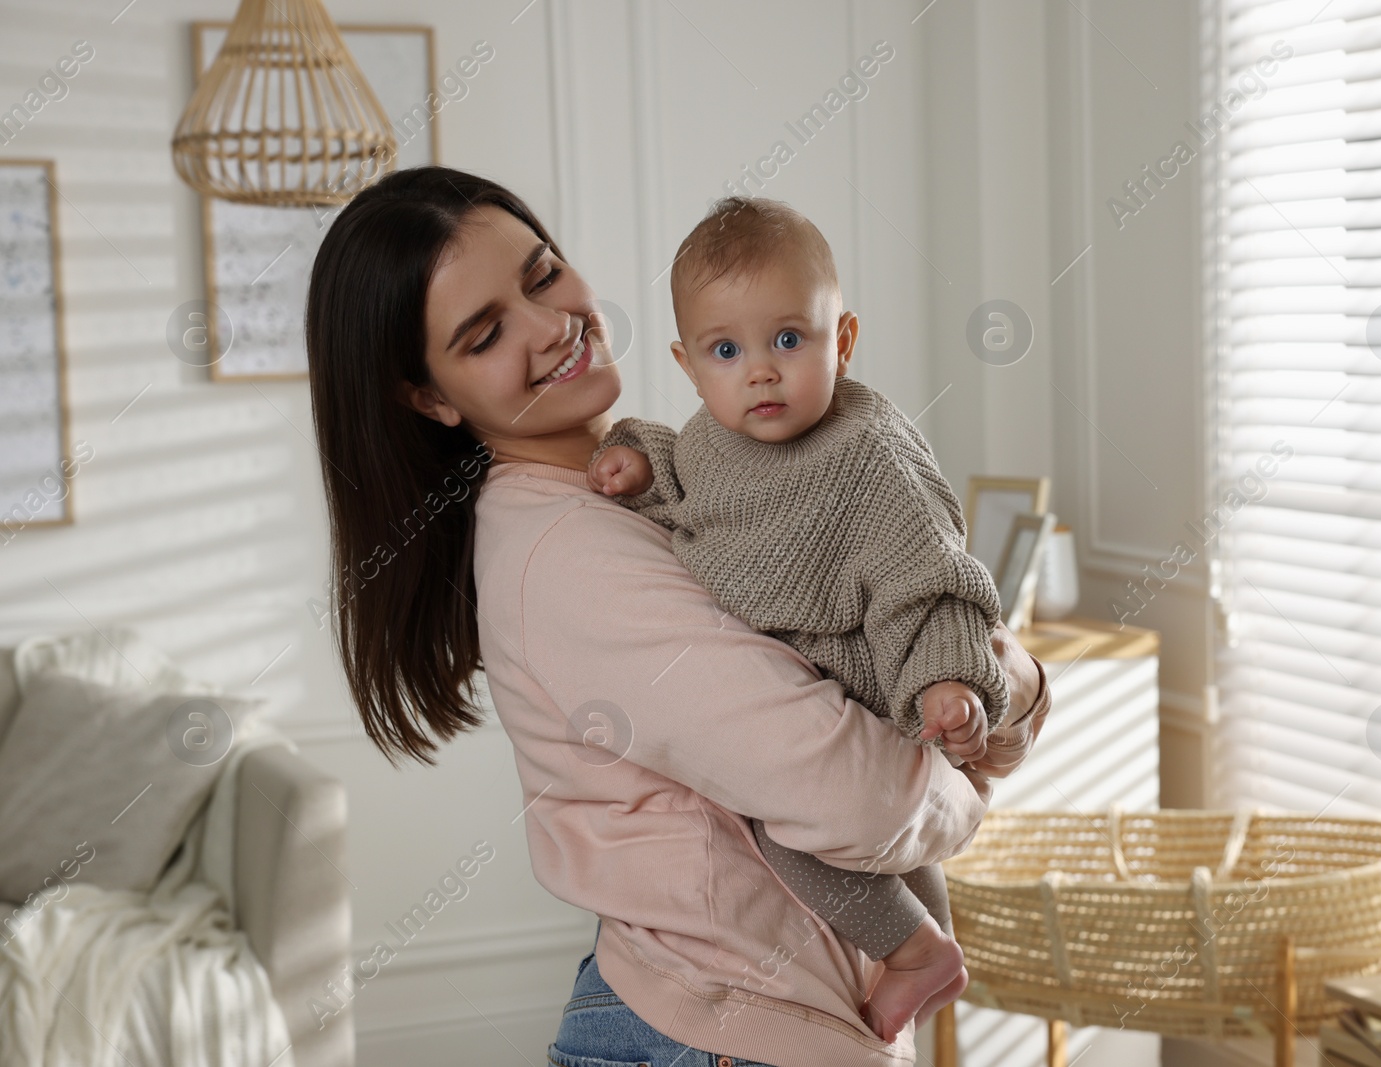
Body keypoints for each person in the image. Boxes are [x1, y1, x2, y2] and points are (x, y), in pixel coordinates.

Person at [304, 166, 1053, 1067]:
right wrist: (975, 754)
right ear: (430, 396)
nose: (551, 327)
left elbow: (888, 623)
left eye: (543, 276)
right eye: (486, 333)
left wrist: (1005, 686)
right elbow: (856, 795)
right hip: (719, 1034)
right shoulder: (567, 556)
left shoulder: (673, 476)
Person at [588, 196, 1006, 1039]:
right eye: (727, 350)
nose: (761, 370)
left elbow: (931, 574)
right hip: (793, 680)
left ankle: (918, 952)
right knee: (889, 846)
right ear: (689, 363)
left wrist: (950, 681)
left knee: (789, 834)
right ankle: (935, 944)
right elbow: (690, 481)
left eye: (789, 339)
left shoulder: (868, 449)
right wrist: (634, 457)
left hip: (860, 680)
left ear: (841, 341)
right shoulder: (712, 438)